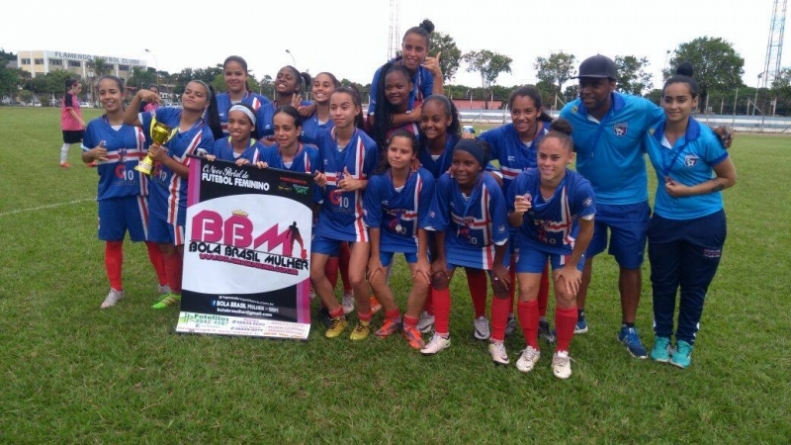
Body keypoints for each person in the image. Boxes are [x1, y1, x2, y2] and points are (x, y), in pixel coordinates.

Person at [559, 54, 665, 358]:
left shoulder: (640, 108)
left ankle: (628, 328)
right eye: (583, 83)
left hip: (630, 202)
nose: (587, 90)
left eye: (595, 84)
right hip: (588, 200)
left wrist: (714, 135)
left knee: (630, 265)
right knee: (581, 260)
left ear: (612, 84)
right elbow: (555, 145)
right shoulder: (572, 113)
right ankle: (577, 316)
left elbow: (674, 121)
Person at [644, 63, 736, 369]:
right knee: (663, 282)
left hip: (705, 222)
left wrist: (688, 191)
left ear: (694, 101)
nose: (674, 105)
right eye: (668, 99)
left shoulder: (706, 138)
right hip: (665, 222)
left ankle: (684, 343)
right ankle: (661, 338)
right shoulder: (652, 134)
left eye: (681, 99)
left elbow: (728, 178)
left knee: (694, 286)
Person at [506, 119, 596, 379]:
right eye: (542, 156)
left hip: (565, 243)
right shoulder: (524, 181)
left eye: (555, 157)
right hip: (532, 240)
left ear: (570, 157)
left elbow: (588, 229)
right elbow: (513, 221)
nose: (547, 163)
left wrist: (571, 266)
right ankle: (531, 346)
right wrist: (518, 213)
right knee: (526, 291)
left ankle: (562, 351)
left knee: (566, 293)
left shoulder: (579, 188)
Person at [123, 80, 220, 309]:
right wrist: (138, 97)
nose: (190, 96)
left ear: (206, 103)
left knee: (184, 248)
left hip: (180, 200)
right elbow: (128, 120)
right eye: (187, 92)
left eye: (197, 94)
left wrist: (165, 159)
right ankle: (175, 292)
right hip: (158, 193)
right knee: (165, 246)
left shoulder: (204, 135)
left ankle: (197, 295)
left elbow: (197, 175)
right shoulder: (166, 114)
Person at [80, 75, 170, 308]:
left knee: (153, 241)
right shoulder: (93, 126)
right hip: (110, 194)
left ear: (122, 94)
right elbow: (84, 156)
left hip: (141, 193)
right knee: (112, 242)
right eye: (103, 92)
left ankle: (164, 284)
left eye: (112, 91)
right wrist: (91, 155)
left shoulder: (142, 125)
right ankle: (116, 289)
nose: (108, 97)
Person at [478, 86, 555, 343]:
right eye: (516, 112)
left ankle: (541, 318)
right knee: (507, 264)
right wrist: (492, 171)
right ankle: (508, 316)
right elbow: (472, 148)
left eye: (528, 111)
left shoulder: (550, 137)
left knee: (538, 266)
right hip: (510, 215)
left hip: (541, 216)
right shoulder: (501, 135)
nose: (521, 117)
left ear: (539, 112)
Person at [421, 139, 510, 358]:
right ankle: (441, 335)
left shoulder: (491, 188)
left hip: (488, 244)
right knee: (440, 276)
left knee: (501, 284)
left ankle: (496, 340)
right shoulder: (445, 182)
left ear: (480, 166)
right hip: (457, 241)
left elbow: (501, 232)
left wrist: (498, 265)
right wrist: (441, 258)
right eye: (456, 162)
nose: (460, 168)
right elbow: (440, 224)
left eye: (468, 163)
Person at [416, 94, 491, 338]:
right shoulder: (417, 147)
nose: (429, 124)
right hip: (430, 216)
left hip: (461, 217)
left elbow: (485, 169)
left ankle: (480, 315)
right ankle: (429, 310)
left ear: (448, 120)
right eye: (425, 119)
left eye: (436, 119)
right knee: (433, 260)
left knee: (473, 268)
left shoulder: (461, 145)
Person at [310, 86, 379, 339]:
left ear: (357, 110)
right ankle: (337, 315)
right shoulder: (321, 139)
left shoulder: (368, 146)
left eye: (344, 106)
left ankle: (363, 319)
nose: (338, 112)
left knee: (356, 277)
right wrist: (318, 179)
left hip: (356, 220)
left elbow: (378, 182)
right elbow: (319, 173)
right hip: (329, 217)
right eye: (334, 107)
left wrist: (360, 183)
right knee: (315, 272)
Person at [363, 130, 435, 350]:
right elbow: (374, 222)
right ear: (387, 151)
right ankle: (392, 317)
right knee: (375, 276)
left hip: (413, 236)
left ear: (413, 155)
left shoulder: (425, 180)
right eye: (394, 149)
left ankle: (410, 324)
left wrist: (422, 257)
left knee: (423, 277)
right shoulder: (377, 182)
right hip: (386, 236)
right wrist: (374, 256)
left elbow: (423, 221)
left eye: (404, 151)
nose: (397, 155)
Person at [367, 19, 443, 127]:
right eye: (408, 47)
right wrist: (411, 116)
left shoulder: (427, 73)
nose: (412, 54)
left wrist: (438, 76)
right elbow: (374, 119)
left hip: (416, 137)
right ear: (402, 47)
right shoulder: (383, 73)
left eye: (419, 49)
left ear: (426, 51)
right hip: (387, 137)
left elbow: (437, 112)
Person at [216, 56, 274, 140]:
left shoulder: (262, 102)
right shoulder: (215, 101)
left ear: (246, 75)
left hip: (255, 152)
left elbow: (268, 134)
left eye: (238, 74)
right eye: (228, 74)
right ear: (224, 75)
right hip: (219, 152)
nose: (233, 78)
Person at [368, 62, 421, 151]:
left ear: (411, 86)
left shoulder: (419, 108)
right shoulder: (381, 114)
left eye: (399, 87)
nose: (393, 91)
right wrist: (411, 116)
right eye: (388, 88)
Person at [300, 72, 340, 144]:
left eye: (326, 85)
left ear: (335, 89)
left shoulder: (340, 119)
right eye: (316, 85)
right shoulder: (303, 114)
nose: (320, 88)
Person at [59, 79, 86, 168]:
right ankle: (63, 162)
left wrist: (79, 122)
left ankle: (89, 160)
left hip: (77, 126)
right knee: (67, 143)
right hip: (69, 125)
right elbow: (70, 110)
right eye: (78, 88)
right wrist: (80, 121)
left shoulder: (74, 97)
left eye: (81, 88)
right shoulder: (68, 96)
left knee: (85, 141)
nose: (80, 90)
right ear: (72, 87)